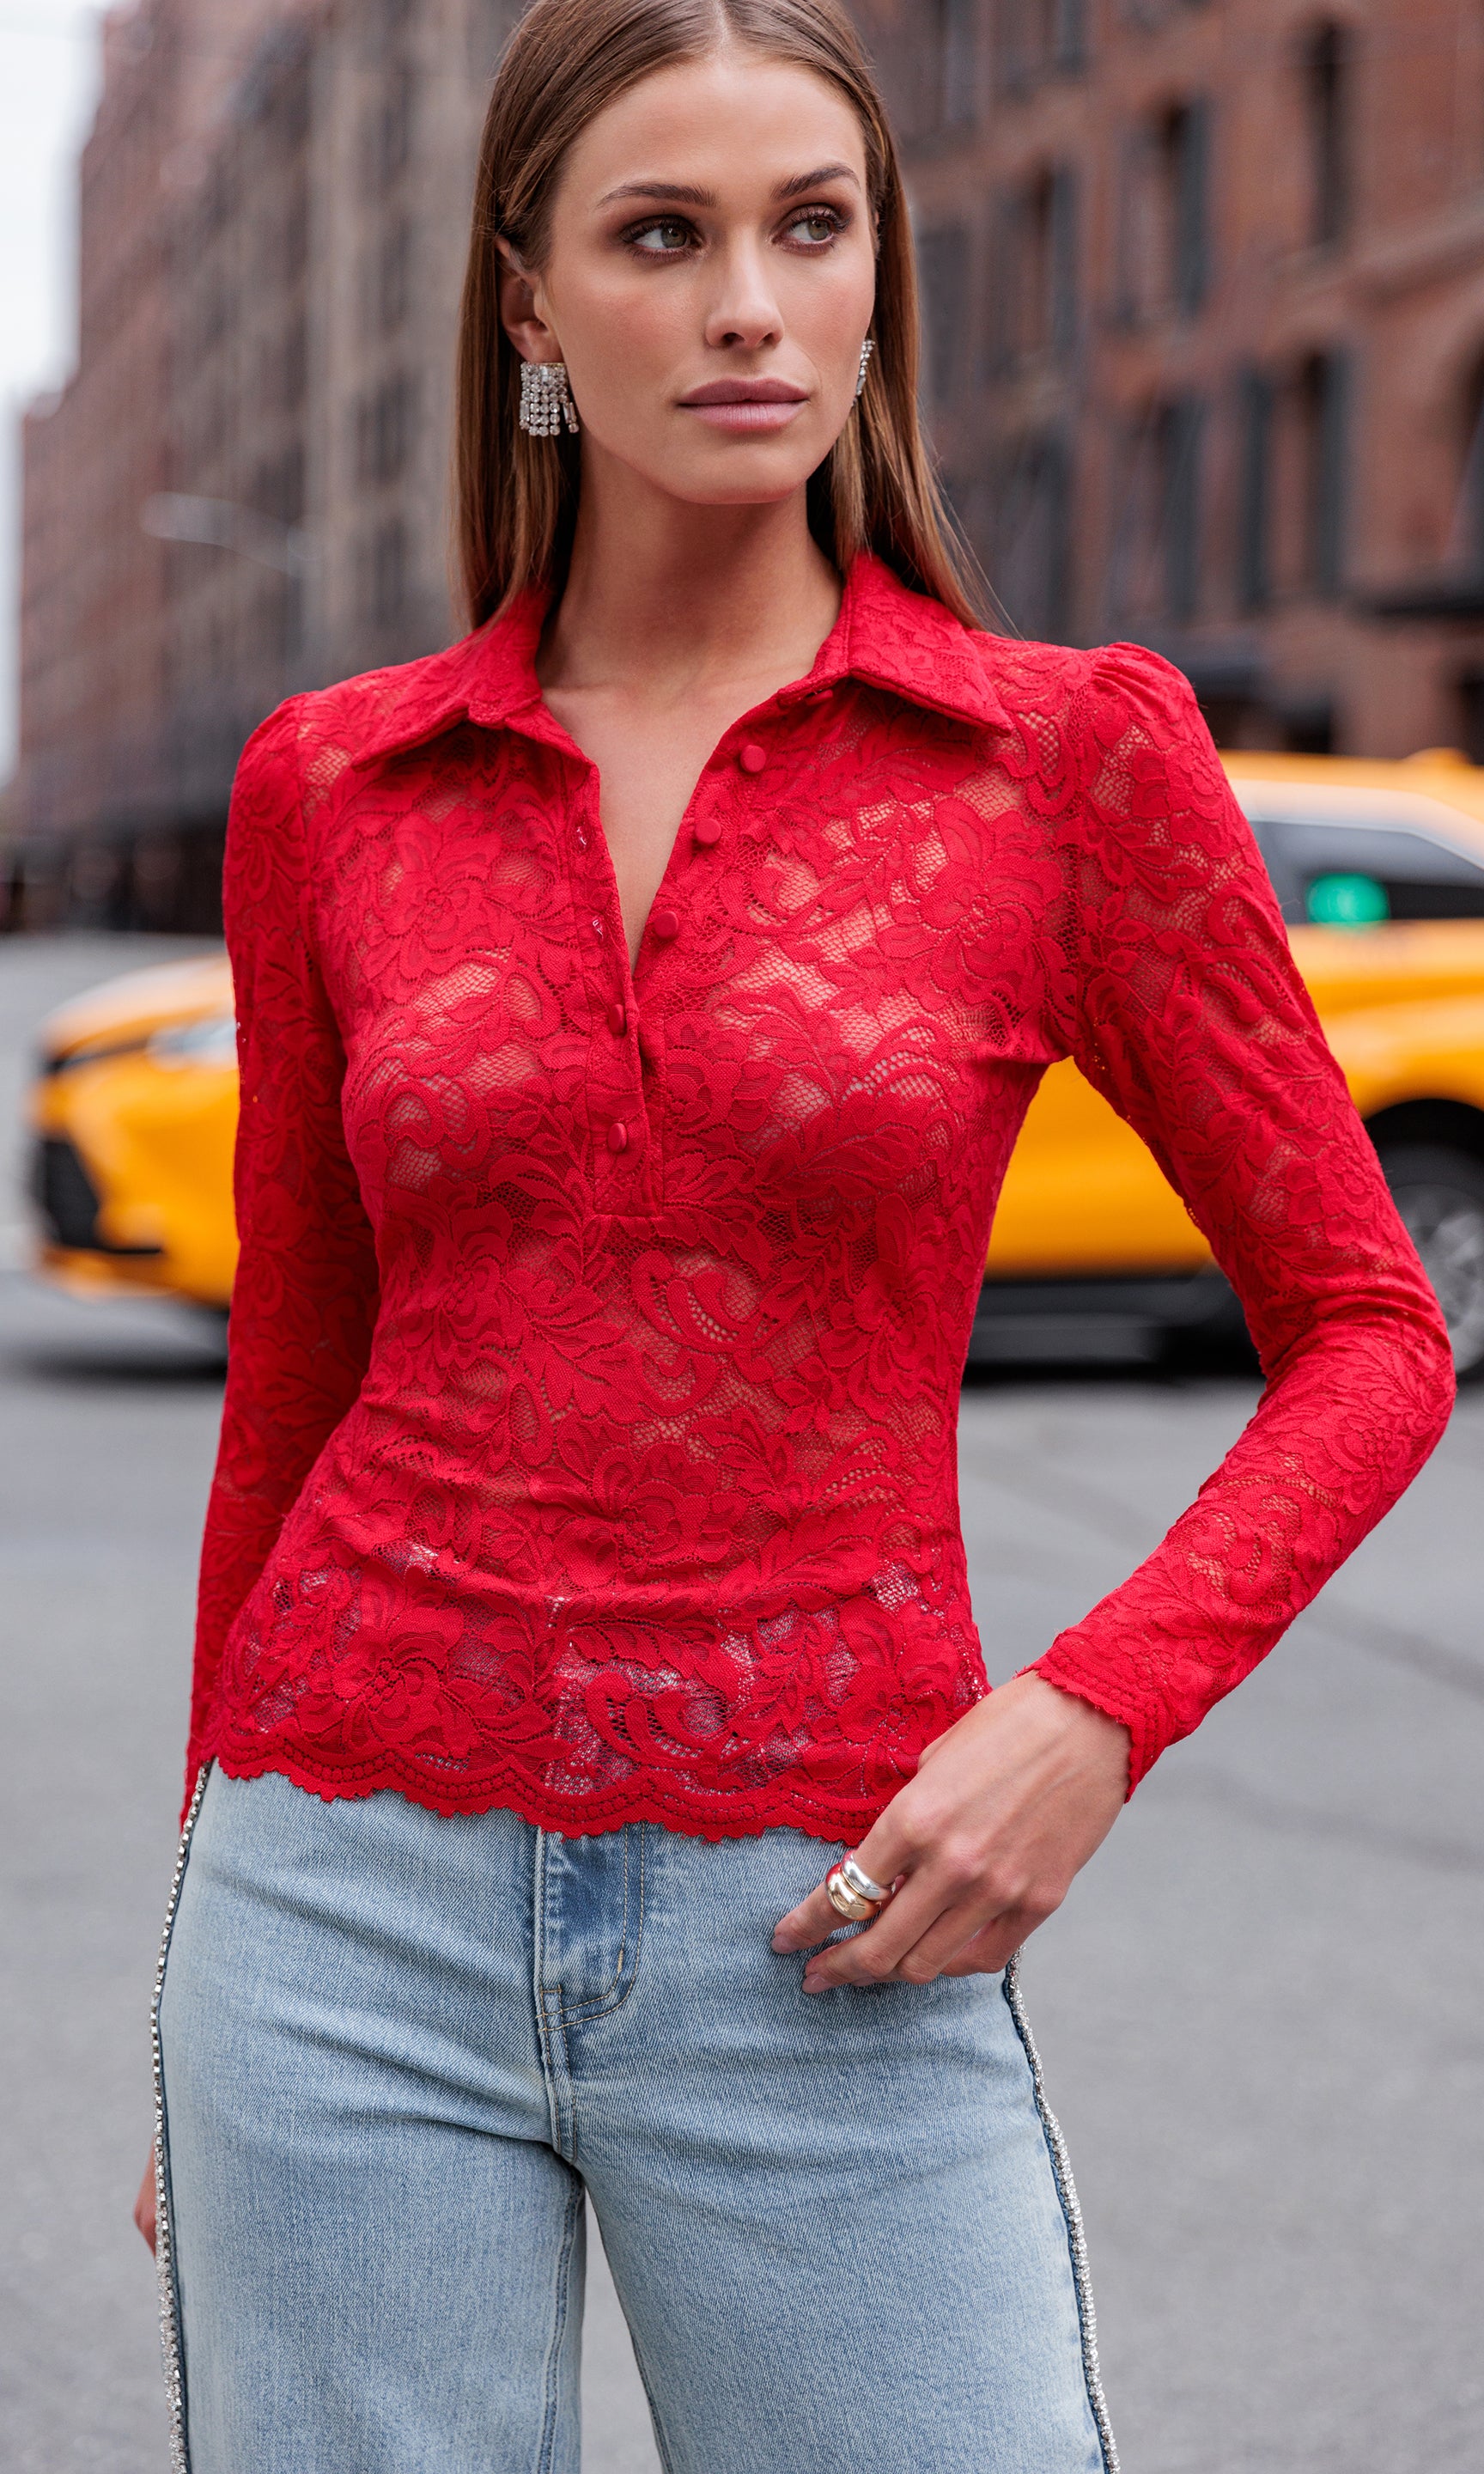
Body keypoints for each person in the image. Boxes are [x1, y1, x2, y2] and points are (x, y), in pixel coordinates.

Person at [135, 3, 1455, 2468]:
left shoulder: (1063, 760)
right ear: (530, 304)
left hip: (829, 1916)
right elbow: (293, 1383)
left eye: (810, 228)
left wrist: (1094, 1712)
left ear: (876, 277)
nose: (750, 304)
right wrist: (189, 1975)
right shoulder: (335, 784)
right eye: (663, 235)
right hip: (334, 1915)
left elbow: (1371, 1328)